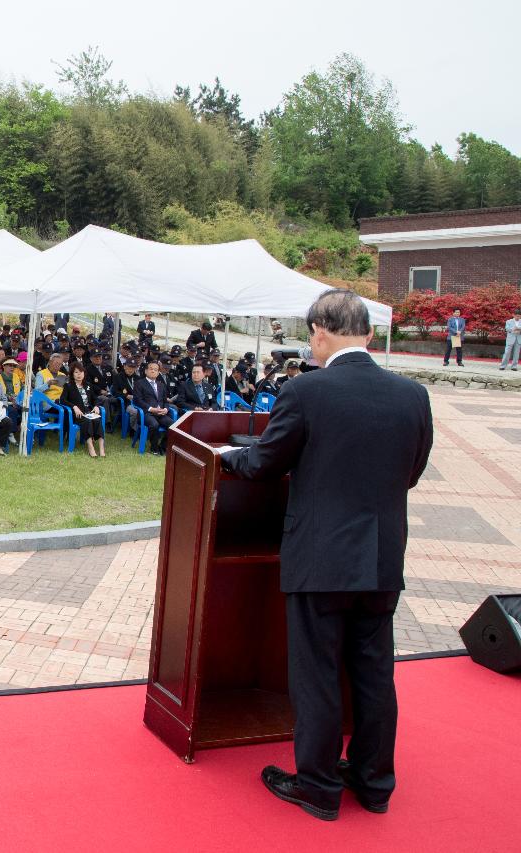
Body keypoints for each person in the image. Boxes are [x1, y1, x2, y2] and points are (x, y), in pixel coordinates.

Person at [220, 289, 434, 822]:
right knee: (374, 673)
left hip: (322, 557)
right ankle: (374, 782)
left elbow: (266, 463)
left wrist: (229, 456)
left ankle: (317, 785)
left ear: (319, 332)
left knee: (316, 674)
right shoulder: (413, 395)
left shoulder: (307, 391)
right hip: (382, 558)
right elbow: (412, 471)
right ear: (364, 332)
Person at [60, 362, 105, 458]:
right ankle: (90, 447)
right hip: (77, 414)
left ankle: (101, 448)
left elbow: (95, 398)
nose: (79, 374)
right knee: (87, 421)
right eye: (76, 372)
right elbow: (62, 400)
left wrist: (96, 406)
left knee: (97, 420)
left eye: (81, 372)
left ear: (84, 373)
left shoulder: (88, 385)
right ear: (72, 374)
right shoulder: (68, 386)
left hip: (89, 412)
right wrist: (74, 407)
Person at [133, 360, 174, 455]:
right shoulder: (139, 383)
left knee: (173, 425)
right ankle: (154, 448)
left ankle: (163, 447)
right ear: (146, 371)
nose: (153, 371)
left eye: (156, 370)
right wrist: (151, 409)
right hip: (146, 413)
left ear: (158, 372)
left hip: (160, 413)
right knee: (154, 424)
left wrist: (166, 409)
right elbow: (137, 400)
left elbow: (165, 401)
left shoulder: (161, 385)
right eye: (151, 369)